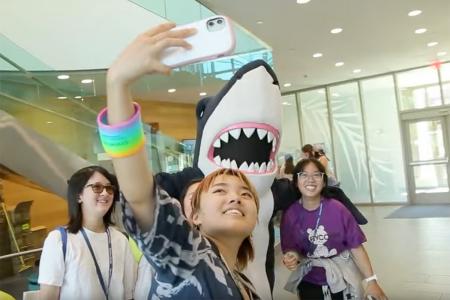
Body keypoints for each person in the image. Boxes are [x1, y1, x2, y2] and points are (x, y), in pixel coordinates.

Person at [99, 23, 261, 299]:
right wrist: (118, 83)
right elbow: (139, 196)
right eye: (220, 190)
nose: (236, 198)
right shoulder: (189, 257)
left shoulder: (243, 282)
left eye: (246, 194)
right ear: (194, 216)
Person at [280, 159, 387, 300]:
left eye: (317, 175)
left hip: (343, 279)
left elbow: (356, 247)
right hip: (309, 282)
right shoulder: (290, 214)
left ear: (324, 181)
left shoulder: (338, 209)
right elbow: (291, 248)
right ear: (296, 182)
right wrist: (291, 256)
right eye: (304, 175)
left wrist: (371, 281)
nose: (310, 180)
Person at [38, 166, 136, 300]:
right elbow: (48, 296)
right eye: (97, 187)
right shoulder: (59, 240)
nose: (105, 193)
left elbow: (129, 293)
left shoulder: (120, 240)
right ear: (79, 196)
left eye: (109, 188)